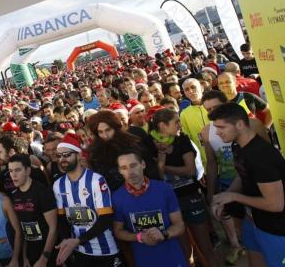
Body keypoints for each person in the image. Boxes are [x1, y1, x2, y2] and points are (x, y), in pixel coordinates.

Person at [209, 103, 285, 267]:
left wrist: (234, 196)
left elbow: (276, 204)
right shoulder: (237, 144)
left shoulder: (260, 156)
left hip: (276, 228)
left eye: (221, 127)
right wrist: (225, 197)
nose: (217, 132)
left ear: (240, 124)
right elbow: (242, 174)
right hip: (254, 221)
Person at [149, 108, 219, 266]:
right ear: (163, 126)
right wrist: (161, 155)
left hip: (191, 198)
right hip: (170, 204)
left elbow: (190, 170)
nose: (180, 124)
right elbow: (159, 177)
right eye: (176, 122)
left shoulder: (183, 140)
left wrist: (164, 166)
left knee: (206, 247)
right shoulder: (152, 143)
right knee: (185, 252)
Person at [52, 134, 120, 266]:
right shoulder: (58, 185)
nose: (62, 159)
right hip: (79, 251)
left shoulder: (96, 180)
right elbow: (62, 219)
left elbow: (106, 217)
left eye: (67, 154)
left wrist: (78, 240)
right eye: (59, 155)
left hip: (105, 250)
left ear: (78, 155)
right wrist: (67, 243)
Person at [112, 149, 188, 267]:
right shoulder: (117, 197)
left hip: (172, 257)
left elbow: (180, 225)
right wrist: (139, 237)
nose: (130, 172)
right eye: (124, 168)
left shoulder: (164, 189)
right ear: (119, 171)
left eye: (133, 165)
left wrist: (163, 234)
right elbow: (118, 231)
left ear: (143, 164)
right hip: (144, 259)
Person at [8, 154, 58, 267]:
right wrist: (25, 257)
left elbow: (54, 229)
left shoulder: (42, 191)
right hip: (30, 256)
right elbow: (24, 227)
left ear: (28, 171)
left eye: (17, 170)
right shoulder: (14, 195)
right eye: (10, 171)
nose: (13, 175)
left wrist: (44, 258)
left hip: (49, 255)